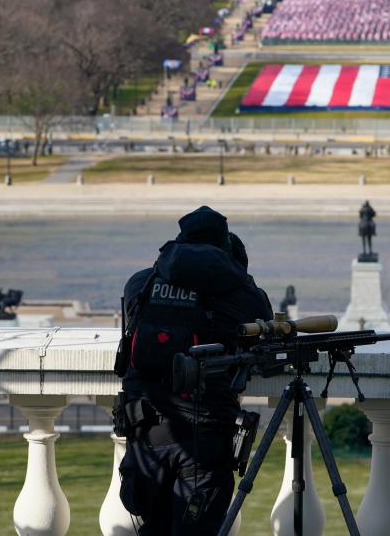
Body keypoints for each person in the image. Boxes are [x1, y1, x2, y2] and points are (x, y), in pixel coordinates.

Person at [116, 206, 273, 536]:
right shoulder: (239, 294)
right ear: (224, 248)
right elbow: (264, 326)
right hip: (205, 433)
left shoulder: (142, 284)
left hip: (145, 430)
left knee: (153, 528)